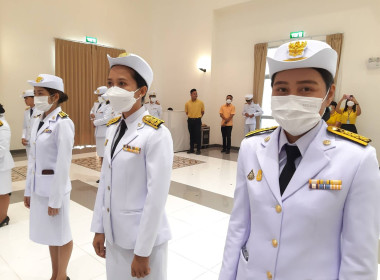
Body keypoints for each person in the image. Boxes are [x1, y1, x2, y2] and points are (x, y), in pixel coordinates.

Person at [219, 40, 380, 280]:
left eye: (306, 89)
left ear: (329, 95)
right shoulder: (251, 147)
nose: (292, 98)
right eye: (282, 90)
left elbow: (358, 256)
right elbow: (239, 226)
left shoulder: (356, 159)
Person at [91, 53, 173, 280]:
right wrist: (99, 227)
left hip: (142, 241)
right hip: (114, 235)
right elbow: (105, 183)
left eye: (122, 84)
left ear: (141, 91)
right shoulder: (113, 127)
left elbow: (156, 199)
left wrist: (143, 252)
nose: (113, 89)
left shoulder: (156, 134)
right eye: (110, 83)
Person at [24, 74, 74, 280]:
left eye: (40, 94)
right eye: (35, 94)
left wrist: (56, 198)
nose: (36, 99)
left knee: (62, 234)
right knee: (51, 236)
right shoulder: (38, 119)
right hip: (39, 189)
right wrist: (28, 191)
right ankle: (55, 274)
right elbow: (32, 160)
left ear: (55, 97)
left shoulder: (63, 123)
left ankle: (61, 276)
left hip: (55, 190)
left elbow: (63, 165)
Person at [91, 86, 114, 181]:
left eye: (100, 95)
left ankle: (107, 177)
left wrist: (94, 122)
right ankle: (103, 176)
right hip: (98, 133)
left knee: (106, 156)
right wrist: (91, 116)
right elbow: (92, 112)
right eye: (98, 95)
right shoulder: (97, 104)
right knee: (100, 155)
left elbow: (107, 119)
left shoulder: (109, 105)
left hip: (105, 133)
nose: (99, 96)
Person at [0, 103, 15, 228]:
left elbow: (2, 149)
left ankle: (3, 217)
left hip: (2, 165)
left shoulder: (2, 125)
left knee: (3, 192)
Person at [21, 89, 41, 158]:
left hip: (37, 141)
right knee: (30, 161)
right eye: (24, 99)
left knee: (38, 161)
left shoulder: (41, 110)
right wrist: (23, 137)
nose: (25, 100)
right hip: (28, 141)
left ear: (34, 98)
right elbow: (25, 126)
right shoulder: (26, 111)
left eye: (26, 98)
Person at [185, 88, 205, 155]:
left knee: (198, 135)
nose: (196, 95)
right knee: (191, 135)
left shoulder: (200, 102)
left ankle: (198, 149)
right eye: (194, 94)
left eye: (196, 94)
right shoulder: (187, 103)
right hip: (190, 120)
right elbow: (187, 112)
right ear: (191, 94)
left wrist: (198, 117)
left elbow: (202, 112)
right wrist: (192, 117)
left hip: (197, 120)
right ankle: (191, 149)